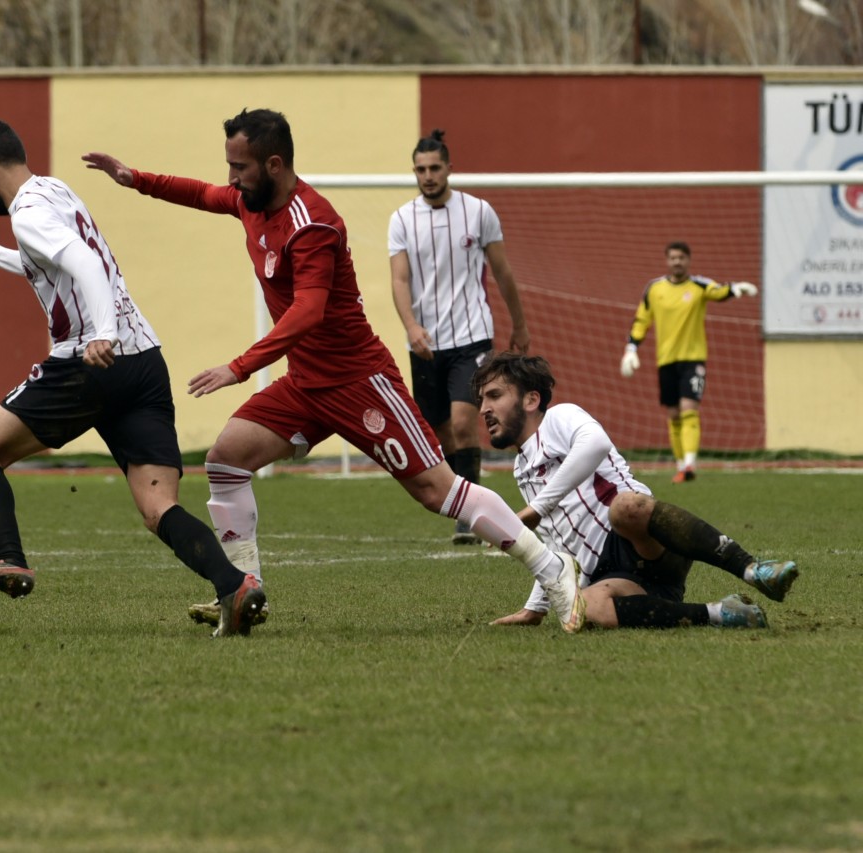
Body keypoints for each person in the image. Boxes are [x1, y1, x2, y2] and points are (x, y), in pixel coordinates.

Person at [82, 108, 585, 634]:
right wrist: (135, 179)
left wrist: (239, 367)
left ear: (274, 165)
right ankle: (242, 589)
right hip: (305, 384)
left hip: (358, 381)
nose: (231, 178)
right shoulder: (249, 201)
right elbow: (202, 194)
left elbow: (308, 311)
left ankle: (553, 569)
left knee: (436, 491)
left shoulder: (313, 222)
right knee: (226, 461)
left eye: (240, 166)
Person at [0, 118, 265, 638]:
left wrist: (103, 334)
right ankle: (234, 585)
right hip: (144, 361)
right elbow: (52, 263)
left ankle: (9, 559)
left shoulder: (27, 213)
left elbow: (86, 266)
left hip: (90, 362)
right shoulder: (55, 190)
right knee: (158, 507)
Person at [473, 351, 799, 629]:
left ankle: (753, 569)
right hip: (613, 576)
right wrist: (535, 608)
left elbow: (596, 443)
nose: (484, 409)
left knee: (625, 507)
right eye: (481, 400)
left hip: (644, 538)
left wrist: (536, 509)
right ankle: (721, 613)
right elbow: (554, 543)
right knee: (585, 607)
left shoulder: (559, 418)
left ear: (531, 399)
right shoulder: (521, 469)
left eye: (495, 395)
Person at [389, 129, 530, 545]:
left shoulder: (479, 211)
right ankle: (466, 501)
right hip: (425, 343)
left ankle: (469, 517)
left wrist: (519, 323)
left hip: (472, 336)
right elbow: (399, 279)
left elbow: (502, 271)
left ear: (449, 168)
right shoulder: (401, 219)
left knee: (466, 421)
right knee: (440, 432)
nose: (428, 176)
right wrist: (411, 326)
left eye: (435, 168)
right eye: (421, 169)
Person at [619, 241, 757, 484]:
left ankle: (691, 463)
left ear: (688, 260)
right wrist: (631, 349)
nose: (677, 262)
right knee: (673, 414)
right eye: (673, 258)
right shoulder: (654, 289)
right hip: (666, 360)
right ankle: (681, 465)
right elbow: (642, 320)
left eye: (681, 258)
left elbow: (718, 291)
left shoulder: (698, 285)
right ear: (667, 261)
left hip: (693, 359)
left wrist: (737, 289)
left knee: (689, 409)